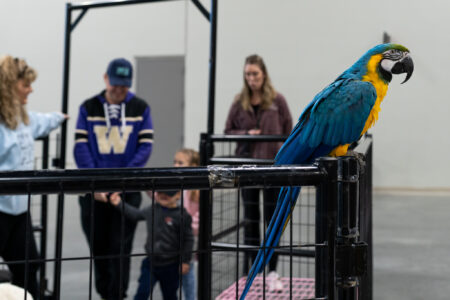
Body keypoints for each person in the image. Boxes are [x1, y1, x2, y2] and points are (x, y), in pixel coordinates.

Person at [74, 58, 153, 300]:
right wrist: (96, 182)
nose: (119, 90)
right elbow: (80, 146)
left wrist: (123, 181)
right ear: (105, 78)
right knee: (98, 247)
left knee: (121, 248)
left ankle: (118, 295)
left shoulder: (140, 107)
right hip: (94, 192)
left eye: (124, 86)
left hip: (126, 192)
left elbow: (145, 146)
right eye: (115, 84)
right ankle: (105, 294)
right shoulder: (88, 107)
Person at [224, 54, 293, 291]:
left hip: (273, 169)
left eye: (255, 73)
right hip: (248, 169)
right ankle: (255, 271)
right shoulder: (238, 102)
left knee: (272, 221)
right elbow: (227, 131)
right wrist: (246, 135)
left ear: (263, 74)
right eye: (247, 74)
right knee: (251, 220)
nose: (251, 78)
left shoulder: (278, 101)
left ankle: (272, 271)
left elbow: (289, 131)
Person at [0, 55, 67, 298]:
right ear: (9, 86)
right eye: (25, 85)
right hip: (0, 210)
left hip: (19, 212)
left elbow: (41, 122)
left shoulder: (22, 119)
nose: (31, 89)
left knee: (29, 270)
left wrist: (59, 117)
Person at [101, 190, 193, 300]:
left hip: (171, 266)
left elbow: (188, 239)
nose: (163, 196)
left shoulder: (182, 215)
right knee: (142, 293)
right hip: (151, 263)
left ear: (178, 195)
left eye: (169, 194)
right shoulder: (152, 210)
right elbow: (136, 214)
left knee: (170, 295)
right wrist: (119, 203)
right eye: (160, 193)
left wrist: (185, 261)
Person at [135, 148, 200, 300]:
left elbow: (198, 218)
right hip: (167, 242)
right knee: (171, 285)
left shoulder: (197, 190)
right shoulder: (171, 180)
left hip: (184, 242)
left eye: (181, 163)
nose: (176, 165)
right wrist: (147, 184)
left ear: (193, 166)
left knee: (188, 277)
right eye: (175, 162)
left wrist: (183, 222)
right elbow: (157, 194)